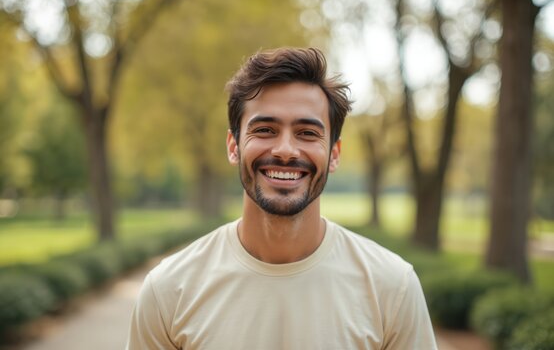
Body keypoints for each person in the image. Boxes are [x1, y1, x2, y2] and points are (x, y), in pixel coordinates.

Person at [126, 47, 437, 349]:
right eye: (264, 129)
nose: (286, 150)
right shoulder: (168, 290)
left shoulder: (392, 288)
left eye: (307, 133)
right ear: (234, 146)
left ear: (334, 154)